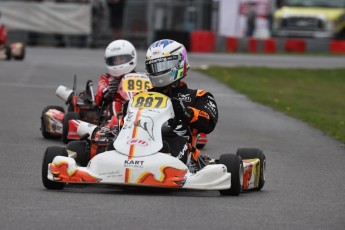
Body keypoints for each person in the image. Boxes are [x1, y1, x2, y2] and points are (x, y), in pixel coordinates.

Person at [123, 39, 218, 171]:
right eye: (155, 67)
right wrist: (126, 112)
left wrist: (185, 112)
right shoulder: (141, 96)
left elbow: (208, 122)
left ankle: (162, 167)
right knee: (113, 142)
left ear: (179, 63)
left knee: (167, 142)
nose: (159, 71)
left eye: (163, 66)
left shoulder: (198, 96)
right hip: (140, 143)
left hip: (179, 148)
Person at [94, 39, 137, 130]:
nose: (118, 63)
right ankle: (113, 127)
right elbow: (98, 100)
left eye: (122, 59)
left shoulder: (141, 77)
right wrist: (109, 91)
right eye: (115, 61)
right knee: (115, 103)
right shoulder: (106, 79)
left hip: (137, 106)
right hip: (113, 111)